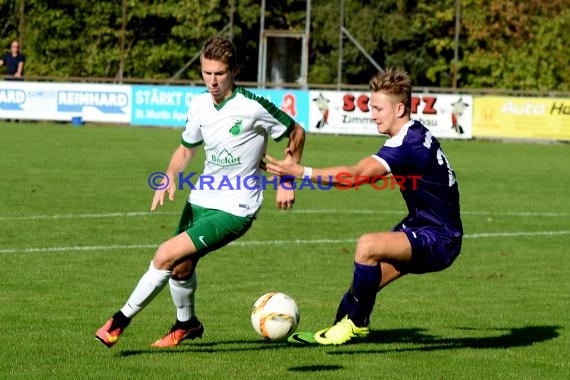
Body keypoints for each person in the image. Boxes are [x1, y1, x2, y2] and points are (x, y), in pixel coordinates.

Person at [96, 36, 306, 348]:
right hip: (201, 199)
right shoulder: (198, 105)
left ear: (233, 71)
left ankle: (118, 322)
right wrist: (169, 176)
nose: (212, 81)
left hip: (236, 208)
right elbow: (186, 148)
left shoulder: (252, 106)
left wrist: (287, 180)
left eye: (219, 73)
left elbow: (297, 131)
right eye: (207, 73)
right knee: (181, 267)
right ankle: (187, 325)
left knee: (165, 254)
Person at [265, 68, 463, 345]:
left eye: (379, 108)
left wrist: (301, 172)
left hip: (439, 238)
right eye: (372, 107)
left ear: (400, 108)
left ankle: (356, 325)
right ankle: (336, 331)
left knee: (367, 246)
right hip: (423, 226)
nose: (373, 114)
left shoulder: (410, 144)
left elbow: (355, 176)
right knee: (361, 288)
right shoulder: (413, 133)